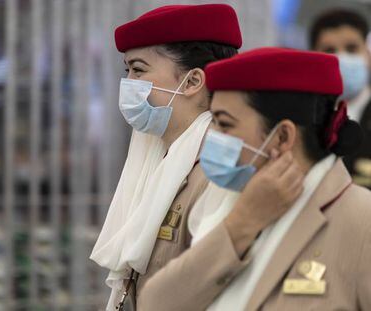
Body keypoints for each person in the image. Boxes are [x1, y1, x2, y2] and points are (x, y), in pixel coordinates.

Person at [137, 48, 371, 311]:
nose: (213, 137)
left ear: (282, 137)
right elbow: (155, 302)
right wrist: (241, 225)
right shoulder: (233, 202)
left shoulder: (360, 219)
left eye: (224, 124)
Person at [90, 4, 243, 310]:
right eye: (127, 71)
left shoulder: (219, 168)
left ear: (192, 82)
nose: (129, 83)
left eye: (139, 69)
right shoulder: (159, 154)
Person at [310, 9, 371, 188]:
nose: (342, 58)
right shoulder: (304, 119)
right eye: (330, 50)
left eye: (352, 49)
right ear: (313, 57)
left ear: (367, 54)